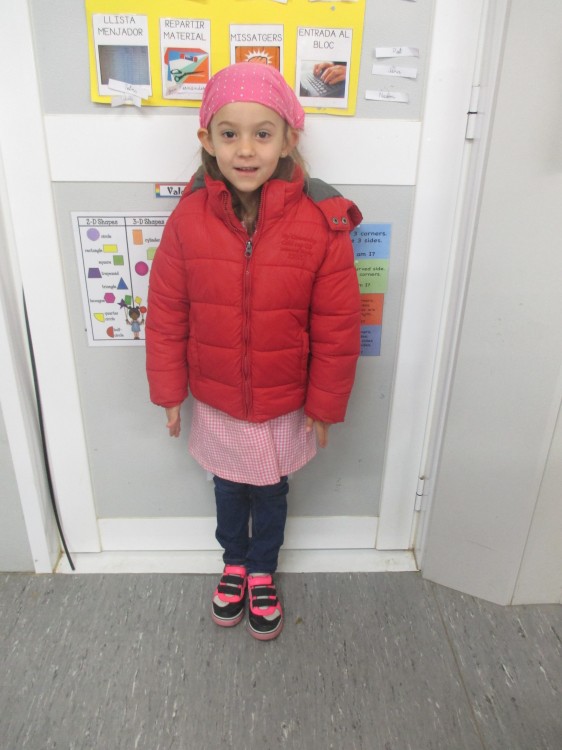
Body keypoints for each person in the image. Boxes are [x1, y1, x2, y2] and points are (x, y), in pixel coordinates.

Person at [146, 62, 362, 641]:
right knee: (225, 488)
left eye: (262, 134)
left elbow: (338, 326)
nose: (245, 149)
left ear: (288, 139)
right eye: (230, 133)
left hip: (284, 400)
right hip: (217, 397)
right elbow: (166, 312)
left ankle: (263, 566)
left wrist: (325, 404)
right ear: (207, 139)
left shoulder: (320, 223)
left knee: (270, 491)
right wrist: (169, 392)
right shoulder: (187, 220)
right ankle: (234, 563)